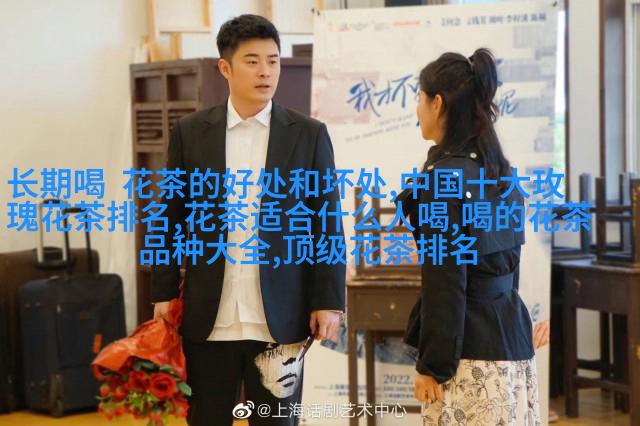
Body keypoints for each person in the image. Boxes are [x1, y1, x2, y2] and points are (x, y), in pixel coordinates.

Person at [150, 14, 345, 426]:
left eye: (273, 61)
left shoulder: (308, 134)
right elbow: (169, 218)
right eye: (252, 61)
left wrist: (328, 300)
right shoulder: (191, 132)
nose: (265, 72)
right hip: (210, 317)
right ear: (225, 67)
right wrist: (163, 292)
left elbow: (326, 222)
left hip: (281, 318)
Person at [394, 48, 541, 425]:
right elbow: (510, 270)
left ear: (437, 104)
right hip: (512, 348)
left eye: (419, 98)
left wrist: (432, 366)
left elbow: (444, 284)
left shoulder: (442, 182)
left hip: (467, 362)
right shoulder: (500, 172)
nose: (417, 110)